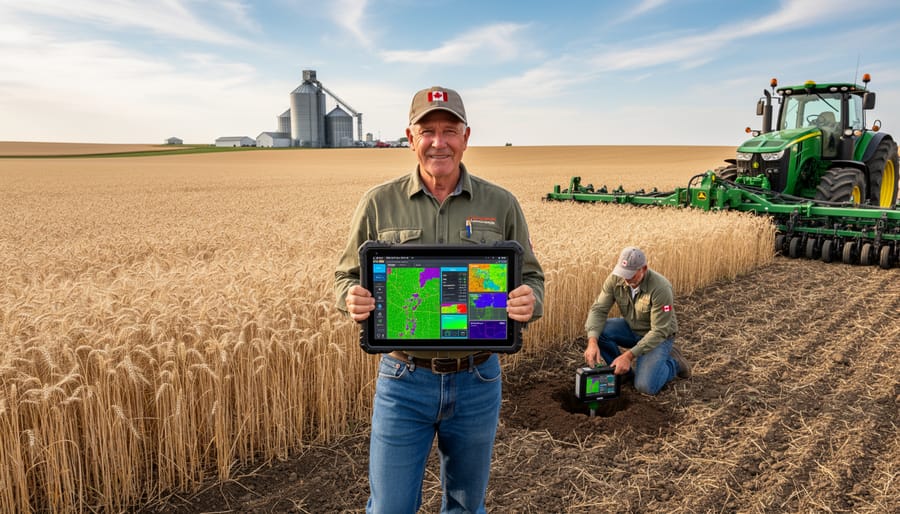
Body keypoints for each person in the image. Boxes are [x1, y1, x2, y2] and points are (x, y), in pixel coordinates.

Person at [334, 86, 544, 514]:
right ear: (410, 137)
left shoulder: (500, 203)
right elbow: (345, 275)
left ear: (466, 136)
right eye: (427, 130)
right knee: (390, 508)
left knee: (466, 508)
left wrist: (530, 301)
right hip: (403, 379)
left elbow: (532, 277)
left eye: (449, 130)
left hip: (478, 381)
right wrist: (349, 298)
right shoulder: (378, 203)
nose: (438, 141)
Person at [583, 246, 690, 395]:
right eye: (623, 273)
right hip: (631, 329)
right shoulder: (615, 279)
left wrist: (628, 355)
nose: (626, 279)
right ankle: (624, 373)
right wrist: (592, 342)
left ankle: (675, 363)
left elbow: (659, 331)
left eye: (631, 275)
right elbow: (598, 309)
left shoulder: (661, 288)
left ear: (643, 269)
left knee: (645, 387)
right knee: (599, 331)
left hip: (657, 337)